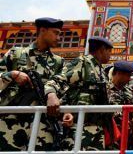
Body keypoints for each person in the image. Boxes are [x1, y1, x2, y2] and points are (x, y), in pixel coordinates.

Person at [0, 17, 64, 151]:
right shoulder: (16, 54)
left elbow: (63, 90)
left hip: (42, 124)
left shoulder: (58, 62)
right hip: (10, 122)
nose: (59, 37)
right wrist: (11, 75)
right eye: (56, 33)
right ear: (42, 30)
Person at [59, 36, 114, 150]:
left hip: (97, 126)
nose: (110, 55)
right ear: (102, 50)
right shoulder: (83, 62)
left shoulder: (101, 71)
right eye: (109, 51)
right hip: (79, 125)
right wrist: (64, 108)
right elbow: (60, 82)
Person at [107, 61, 133, 149]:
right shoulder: (105, 89)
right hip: (111, 132)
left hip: (127, 134)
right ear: (118, 74)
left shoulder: (129, 91)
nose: (129, 79)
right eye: (128, 76)